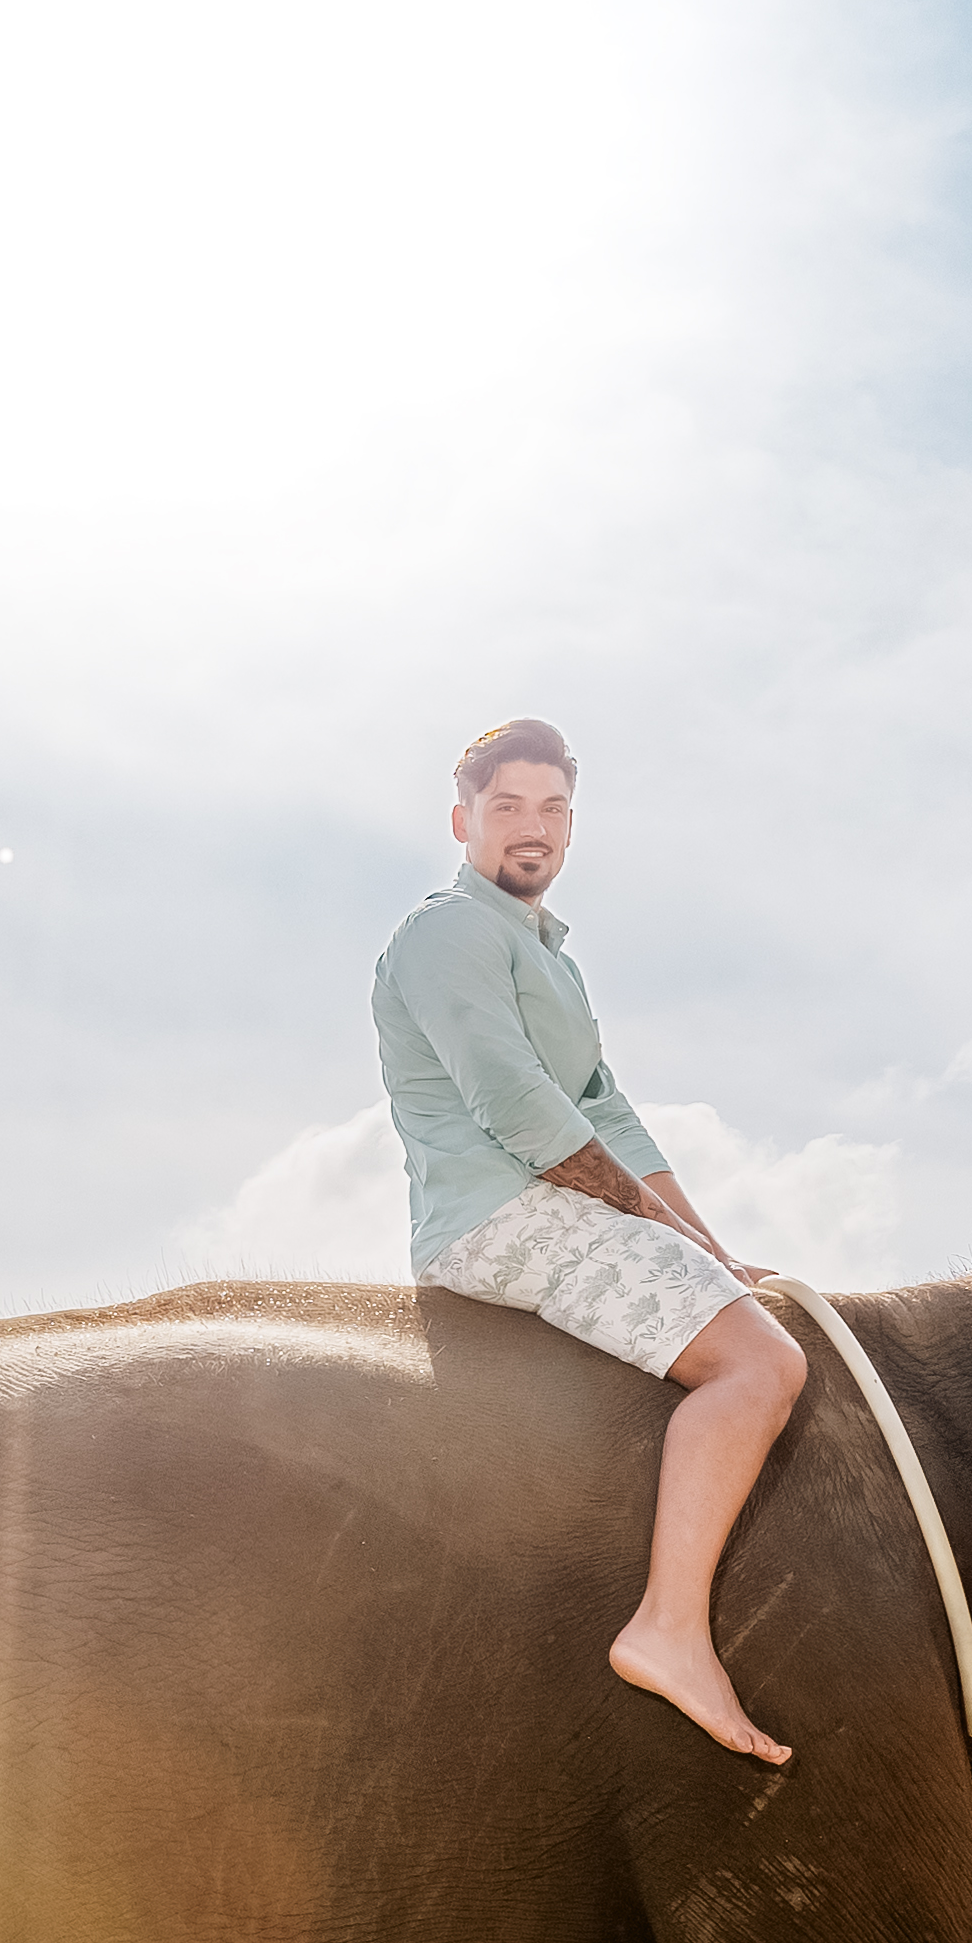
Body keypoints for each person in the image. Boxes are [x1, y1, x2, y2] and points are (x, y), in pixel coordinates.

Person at [373, 717, 808, 1763]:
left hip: (552, 1200)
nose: (533, 828)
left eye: (552, 808)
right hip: (498, 1215)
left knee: (744, 1310)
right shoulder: (446, 933)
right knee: (757, 1365)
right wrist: (658, 1231)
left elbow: (608, 1114)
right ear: (462, 820)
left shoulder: (549, 956)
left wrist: (710, 1248)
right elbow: (520, 1110)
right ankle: (666, 1629)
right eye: (508, 806)